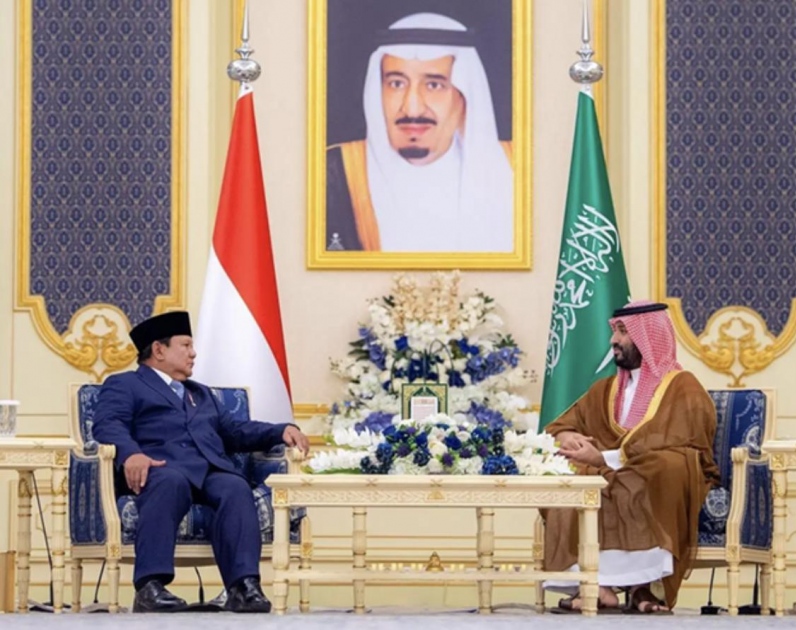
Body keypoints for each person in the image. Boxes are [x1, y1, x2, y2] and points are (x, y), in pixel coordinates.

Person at [92, 311, 309, 613]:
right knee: (170, 482)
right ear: (159, 350)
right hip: (160, 468)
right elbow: (108, 423)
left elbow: (234, 432)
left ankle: (243, 587)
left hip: (209, 470)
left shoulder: (200, 393)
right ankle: (150, 587)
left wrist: (279, 430)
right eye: (185, 345)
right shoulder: (125, 384)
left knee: (234, 487)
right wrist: (131, 453)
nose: (193, 353)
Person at [541, 300, 718, 614]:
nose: (613, 340)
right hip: (610, 471)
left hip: (653, 474)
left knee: (662, 467)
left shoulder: (683, 386)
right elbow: (561, 426)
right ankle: (597, 586)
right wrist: (570, 438)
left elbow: (685, 439)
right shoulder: (605, 389)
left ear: (649, 336)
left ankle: (644, 587)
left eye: (623, 332)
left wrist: (605, 459)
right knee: (570, 475)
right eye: (615, 331)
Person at [326, 11, 513, 253]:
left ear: (464, 95)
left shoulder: (516, 170)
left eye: (434, 85)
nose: (412, 107)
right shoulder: (332, 175)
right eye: (396, 84)